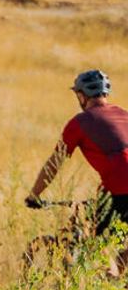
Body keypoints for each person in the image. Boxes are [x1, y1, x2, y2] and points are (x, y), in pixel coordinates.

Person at [23, 67, 128, 274]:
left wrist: (34, 195)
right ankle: (118, 286)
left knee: (93, 241)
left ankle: (109, 280)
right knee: (123, 249)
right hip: (115, 188)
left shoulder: (79, 123)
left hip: (118, 188)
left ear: (81, 95)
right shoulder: (124, 115)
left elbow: (54, 163)